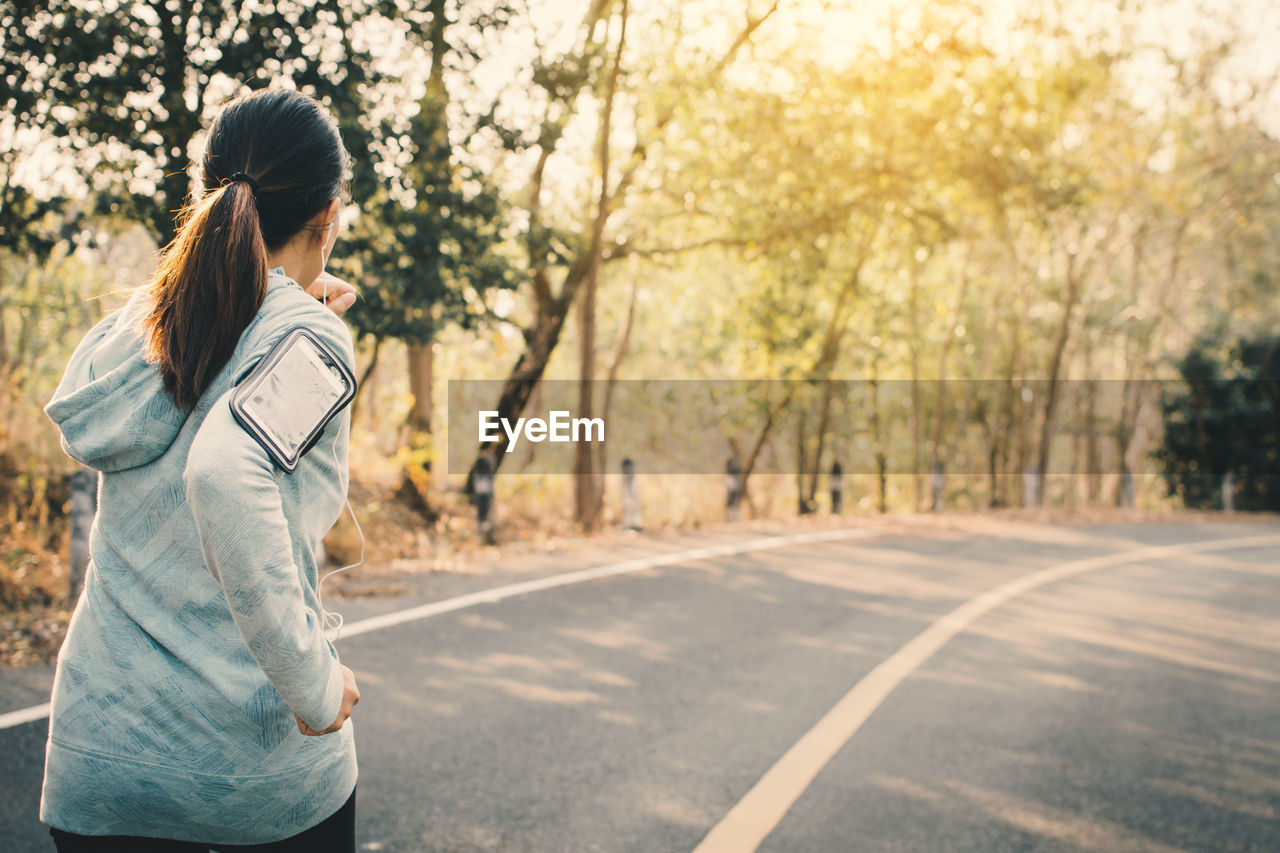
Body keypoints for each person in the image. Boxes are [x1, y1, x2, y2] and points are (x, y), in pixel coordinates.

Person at [40, 88, 363, 852]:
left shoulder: (143, 324)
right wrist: (315, 683)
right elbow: (223, 470)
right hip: (249, 775)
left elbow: (207, 349)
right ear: (330, 218)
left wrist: (285, 305)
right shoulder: (308, 340)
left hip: (100, 763)